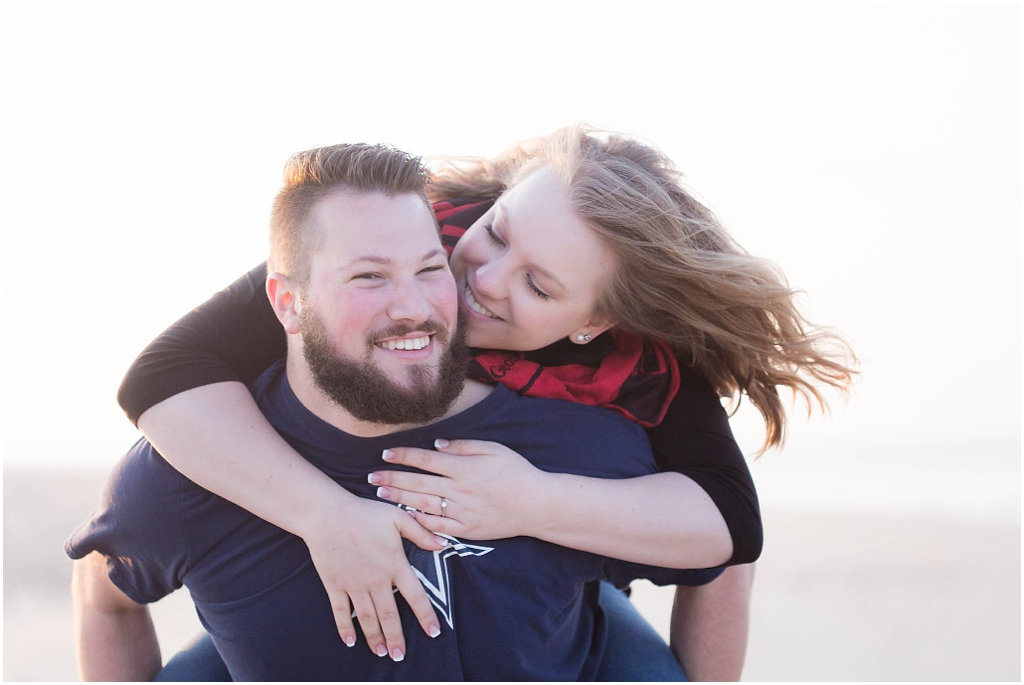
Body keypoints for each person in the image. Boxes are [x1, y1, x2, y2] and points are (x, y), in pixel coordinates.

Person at [116, 126, 855, 679]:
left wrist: (530, 501)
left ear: (595, 321)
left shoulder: (633, 365)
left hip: (574, 602)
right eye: (496, 234)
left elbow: (730, 528)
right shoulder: (411, 234)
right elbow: (161, 374)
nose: (485, 280)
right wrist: (324, 514)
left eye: (539, 286)